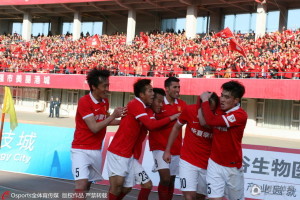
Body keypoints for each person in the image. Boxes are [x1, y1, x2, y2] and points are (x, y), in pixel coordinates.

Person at [106, 79, 179, 200]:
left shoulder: (147, 109)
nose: (152, 94)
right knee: (117, 186)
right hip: (118, 152)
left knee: (140, 186)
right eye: (150, 91)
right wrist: (172, 117)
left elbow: (153, 123)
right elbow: (151, 125)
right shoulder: (135, 104)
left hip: (130, 156)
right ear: (141, 94)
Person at [71, 69, 125, 200]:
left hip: (96, 150)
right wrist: (113, 115)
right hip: (80, 149)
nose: (107, 89)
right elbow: (94, 127)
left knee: (87, 186)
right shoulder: (84, 101)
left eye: (108, 85)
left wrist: (125, 120)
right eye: (104, 86)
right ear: (94, 87)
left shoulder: (105, 102)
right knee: (81, 185)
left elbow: (105, 121)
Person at [163, 94, 219, 200]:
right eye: (204, 109)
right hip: (187, 160)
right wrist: (167, 150)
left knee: (200, 196)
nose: (207, 113)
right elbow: (176, 127)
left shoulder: (219, 116)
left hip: (208, 164)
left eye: (210, 110)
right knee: (190, 197)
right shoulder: (189, 110)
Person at [199, 80, 247, 200]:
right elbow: (204, 115)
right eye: (222, 95)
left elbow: (211, 121)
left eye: (227, 97)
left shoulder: (240, 115)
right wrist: (204, 99)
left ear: (236, 100)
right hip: (214, 163)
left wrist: (205, 101)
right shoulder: (220, 108)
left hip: (232, 167)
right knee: (213, 198)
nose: (222, 100)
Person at [133, 88, 179, 200]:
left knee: (166, 181)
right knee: (164, 179)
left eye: (162, 102)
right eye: (158, 101)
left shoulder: (151, 111)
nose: (161, 105)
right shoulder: (144, 110)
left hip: (133, 155)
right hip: (125, 154)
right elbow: (152, 125)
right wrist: (171, 117)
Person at [148, 76, 187, 200]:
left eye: (178, 87)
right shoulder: (158, 102)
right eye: (174, 87)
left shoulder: (182, 104)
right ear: (167, 89)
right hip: (159, 146)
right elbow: (151, 122)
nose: (177, 90)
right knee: (165, 178)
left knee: (171, 180)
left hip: (176, 148)